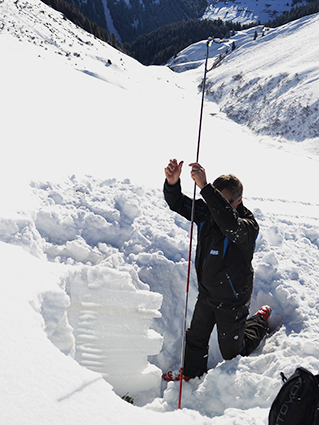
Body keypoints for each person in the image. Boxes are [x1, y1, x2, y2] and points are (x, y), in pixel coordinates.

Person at [162, 159, 271, 381]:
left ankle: (259, 321)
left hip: (232, 300)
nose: (216, 206)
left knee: (233, 352)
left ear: (239, 200)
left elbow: (230, 225)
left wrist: (206, 189)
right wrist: (172, 184)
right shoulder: (207, 210)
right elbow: (177, 203)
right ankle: (192, 376)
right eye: (214, 200)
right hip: (208, 292)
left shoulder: (248, 225)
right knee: (195, 339)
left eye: (224, 201)